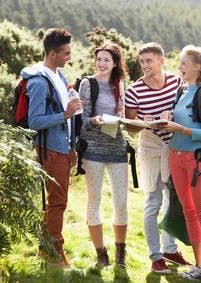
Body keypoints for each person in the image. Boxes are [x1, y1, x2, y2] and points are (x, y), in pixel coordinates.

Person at [124, 42, 190, 274]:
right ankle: (155, 256)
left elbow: (184, 111)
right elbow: (130, 126)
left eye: (149, 61)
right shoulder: (134, 91)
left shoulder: (176, 82)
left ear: (161, 60)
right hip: (151, 147)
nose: (144, 66)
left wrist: (171, 115)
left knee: (173, 201)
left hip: (175, 146)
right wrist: (147, 121)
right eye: (142, 62)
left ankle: (170, 249)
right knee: (153, 202)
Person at [21, 28, 82, 268]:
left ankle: (45, 249)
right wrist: (64, 114)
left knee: (56, 201)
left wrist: (72, 146)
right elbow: (35, 121)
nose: (69, 56)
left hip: (62, 147)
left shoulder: (58, 75)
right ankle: (55, 253)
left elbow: (65, 117)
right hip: (49, 149)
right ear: (53, 52)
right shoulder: (38, 81)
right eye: (66, 52)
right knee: (58, 202)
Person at [157, 45, 201, 281]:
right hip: (175, 156)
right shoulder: (180, 91)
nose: (179, 67)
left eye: (184, 63)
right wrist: (167, 121)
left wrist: (180, 128)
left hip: (195, 161)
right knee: (188, 211)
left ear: (198, 67)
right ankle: (198, 266)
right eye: (179, 62)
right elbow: (178, 119)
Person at [78, 43, 128, 268]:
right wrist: (95, 120)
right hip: (93, 151)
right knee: (94, 201)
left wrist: (120, 115)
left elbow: (122, 113)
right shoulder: (87, 84)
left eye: (107, 59)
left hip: (117, 148)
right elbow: (82, 120)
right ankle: (101, 255)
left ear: (115, 63)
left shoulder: (120, 85)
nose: (102, 63)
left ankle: (120, 254)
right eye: (99, 59)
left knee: (121, 202)